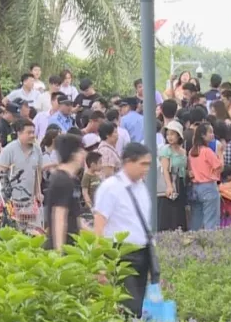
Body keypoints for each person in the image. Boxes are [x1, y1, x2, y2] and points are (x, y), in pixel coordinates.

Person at [94, 143, 159, 318]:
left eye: (148, 164)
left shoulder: (141, 187)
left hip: (142, 253)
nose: (146, 169)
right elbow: (99, 226)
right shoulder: (110, 187)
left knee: (138, 306)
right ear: (128, 162)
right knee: (127, 306)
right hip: (120, 254)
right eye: (142, 164)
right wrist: (99, 264)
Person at [45, 134, 85, 250]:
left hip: (72, 245)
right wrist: (59, 251)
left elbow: (75, 217)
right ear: (74, 155)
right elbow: (59, 217)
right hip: (64, 247)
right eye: (81, 151)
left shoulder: (72, 179)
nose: (84, 155)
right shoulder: (62, 180)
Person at [0, 119, 43, 204]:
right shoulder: (8, 150)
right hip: (12, 200)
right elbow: (1, 174)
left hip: (31, 199)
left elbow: (38, 171)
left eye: (33, 132)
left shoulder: (37, 149)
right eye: (29, 133)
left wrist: (37, 192)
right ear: (19, 133)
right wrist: (5, 198)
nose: (32, 135)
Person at [188, 122, 223, 230]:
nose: (212, 135)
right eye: (210, 132)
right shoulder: (207, 151)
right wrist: (220, 154)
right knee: (211, 221)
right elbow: (219, 166)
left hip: (195, 187)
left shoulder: (192, 151)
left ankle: (193, 239)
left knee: (196, 220)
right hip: (208, 186)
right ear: (203, 135)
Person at [158, 121, 188, 232]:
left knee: (179, 213)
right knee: (169, 213)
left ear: (178, 135)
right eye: (168, 134)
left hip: (180, 183)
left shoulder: (183, 151)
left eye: (172, 134)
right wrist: (169, 186)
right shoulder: (166, 150)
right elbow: (165, 170)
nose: (169, 137)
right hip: (170, 182)